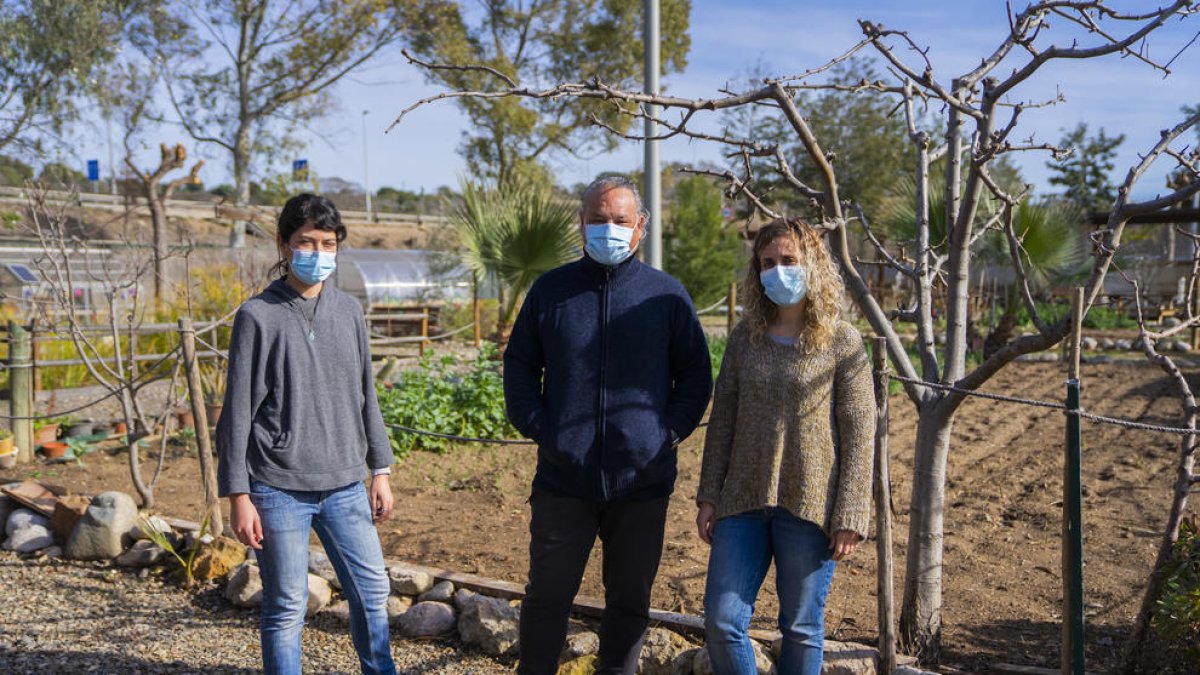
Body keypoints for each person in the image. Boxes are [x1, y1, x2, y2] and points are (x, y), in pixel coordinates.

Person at [504, 176, 713, 674]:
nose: (608, 229)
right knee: (547, 596)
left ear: (640, 227)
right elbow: (518, 368)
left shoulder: (666, 296)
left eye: (620, 220)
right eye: (598, 220)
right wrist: (546, 431)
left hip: (642, 484)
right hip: (562, 480)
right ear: (582, 223)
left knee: (629, 602)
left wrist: (662, 437)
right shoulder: (551, 292)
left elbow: (696, 376)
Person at [216, 193, 396, 675]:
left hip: (345, 486)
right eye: (306, 242)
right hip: (277, 489)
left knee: (372, 592)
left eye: (328, 243)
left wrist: (380, 468)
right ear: (283, 243)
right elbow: (236, 413)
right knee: (286, 606)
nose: (318, 253)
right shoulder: (257, 316)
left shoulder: (349, 311)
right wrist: (238, 494)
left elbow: (366, 395)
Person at [695, 218, 875, 675]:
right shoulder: (744, 338)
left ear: (813, 265)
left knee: (800, 627)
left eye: (789, 261)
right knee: (721, 621)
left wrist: (851, 512)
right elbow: (723, 421)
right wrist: (709, 494)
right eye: (768, 263)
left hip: (811, 506)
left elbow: (859, 431)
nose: (778, 271)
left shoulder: (843, 343)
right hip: (742, 501)